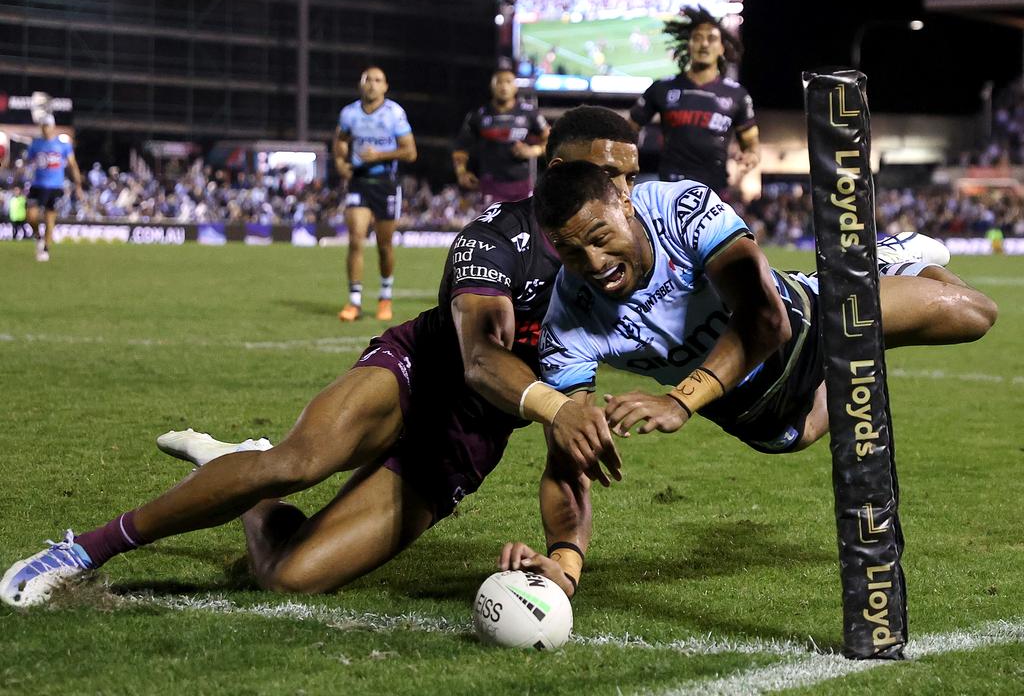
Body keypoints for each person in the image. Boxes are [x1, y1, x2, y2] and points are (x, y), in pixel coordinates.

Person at [0, 106, 638, 609]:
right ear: (557, 167)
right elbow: (479, 360)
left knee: (289, 577)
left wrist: (567, 564)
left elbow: (570, 456)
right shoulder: (497, 237)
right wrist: (556, 406)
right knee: (298, 462)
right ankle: (81, 551)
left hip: (462, 443)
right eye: (610, 175)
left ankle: (239, 476)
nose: (625, 190)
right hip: (417, 378)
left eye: (630, 178)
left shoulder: (614, 276)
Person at [529, 162, 998, 460]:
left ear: (625, 204)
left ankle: (882, 261)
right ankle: (868, 318)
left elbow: (764, 319)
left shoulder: (678, 208)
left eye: (599, 238)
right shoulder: (567, 323)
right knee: (799, 438)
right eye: (572, 253)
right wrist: (564, 561)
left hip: (799, 323)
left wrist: (679, 400)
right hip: (748, 406)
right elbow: (569, 439)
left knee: (974, 314)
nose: (593, 263)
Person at [629, 7, 759, 195]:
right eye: (697, 38)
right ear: (688, 44)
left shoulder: (737, 95)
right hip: (669, 191)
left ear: (722, 47)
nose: (704, 44)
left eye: (712, 38)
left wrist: (751, 156)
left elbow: (752, 143)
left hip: (714, 193)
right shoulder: (662, 88)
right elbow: (629, 130)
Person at [334, 67, 417, 323]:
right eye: (367, 80)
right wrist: (340, 162)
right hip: (359, 182)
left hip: (386, 183)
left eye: (378, 80)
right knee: (356, 239)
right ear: (360, 85)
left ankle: (385, 297)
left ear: (385, 87)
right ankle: (354, 302)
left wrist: (379, 156)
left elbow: (410, 152)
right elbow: (340, 140)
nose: (372, 84)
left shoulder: (394, 113)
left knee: (384, 246)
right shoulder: (349, 113)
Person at [453, 64, 550, 206]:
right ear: (491, 85)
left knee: (526, 227)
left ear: (515, 86)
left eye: (508, 82)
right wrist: (461, 172)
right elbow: (461, 146)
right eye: (499, 82)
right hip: (491, 184)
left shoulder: (529, 113)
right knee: (494, 228)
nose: (504, 87)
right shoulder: (478, 115)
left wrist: (533, 150)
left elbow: (551, 140)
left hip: (521, 184)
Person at [25, 115, 83, 261]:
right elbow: (28, 162)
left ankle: (45, 249)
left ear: (53, 126)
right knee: (30, 216)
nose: (45, 128)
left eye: (47, 125)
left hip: (55, 187)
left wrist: (78, 186)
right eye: (43, 126)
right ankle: (38, 236)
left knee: (50, 219)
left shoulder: (62, 145)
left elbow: (73, 165)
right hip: (37, 185)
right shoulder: (35, 144)